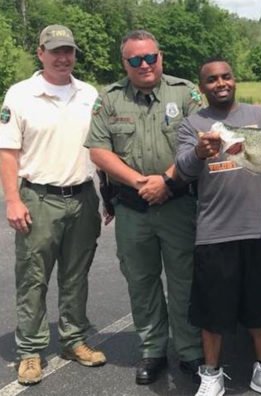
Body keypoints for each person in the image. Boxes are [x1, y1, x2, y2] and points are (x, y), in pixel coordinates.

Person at [84, 29, 203, 385]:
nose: (144, 64)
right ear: (125, 63)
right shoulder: (109, 99)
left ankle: (190, 351)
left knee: (185, 280)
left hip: (179, 202)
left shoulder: (184, 93)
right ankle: (152, 349)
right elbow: (98, 150)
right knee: (142, 280)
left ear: (160, 57)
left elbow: (201, 140)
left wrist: (166, 180)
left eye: (150, 57)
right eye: (135, 60)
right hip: (133, 208)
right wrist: (140, 183)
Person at [175, 58, 261, 396]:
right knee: (212, 310)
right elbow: (183, 170)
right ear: (201, 88)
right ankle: (211, 374)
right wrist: (198, 153)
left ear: (235, 79)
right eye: (211, 80)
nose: (220, 83)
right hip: (215, 231)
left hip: (260, 228)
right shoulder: (193, 124)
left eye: (226, 76)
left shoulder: (260, 117)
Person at [0, 24, 106, 386]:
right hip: (38, 198)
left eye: (69, 51)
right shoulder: (21, 95)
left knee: (76, 276)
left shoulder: (89, 94)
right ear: (40, 53)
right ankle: (30, 350)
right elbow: (8, 151)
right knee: (33, 278)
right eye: (55, 51)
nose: (63, 58)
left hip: (82, 195)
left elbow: (101, 149)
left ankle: (73, 340)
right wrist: (12, 199)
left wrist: (105, 195)